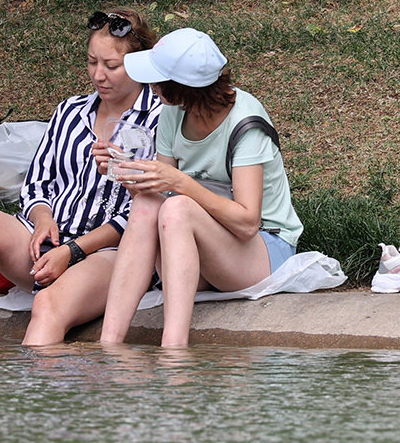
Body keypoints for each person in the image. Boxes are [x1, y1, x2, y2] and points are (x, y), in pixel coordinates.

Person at [0, 9, 162, 346]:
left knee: (47, 305)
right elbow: (36, 183)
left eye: (111, 66)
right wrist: (43, 218)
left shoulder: (157, 120)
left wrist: (73, 251)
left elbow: (143, 213)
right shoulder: (69, 111)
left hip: (108, 252)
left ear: (139, 64)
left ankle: (40, 396)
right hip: (47, 245)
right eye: (92, 62)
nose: (99, 75)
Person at [98, 28, 303, 348]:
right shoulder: (172, 112)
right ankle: (109, 345)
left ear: (180, 89)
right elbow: (158, 194)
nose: (150, 86)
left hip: (262, 251)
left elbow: (248, 223)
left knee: (177, 208)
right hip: (202, 252)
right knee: (146, 205)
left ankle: (173, 348)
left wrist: (181, 183)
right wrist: (125, 174)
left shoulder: (245, 124)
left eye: (157, 79)